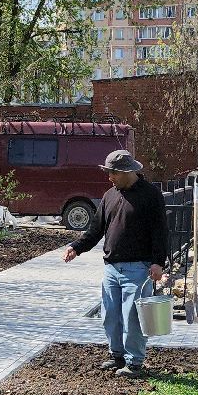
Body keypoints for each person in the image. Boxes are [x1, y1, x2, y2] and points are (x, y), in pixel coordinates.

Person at [62, 149, 169, 377]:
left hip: (138, 269)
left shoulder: (151, 195)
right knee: (110, 315)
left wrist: (158, 262)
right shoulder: (110, 195)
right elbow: (96, 229)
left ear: (127, 172)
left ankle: (134, 362)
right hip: (111, 268)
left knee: (132, 318)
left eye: (112, 173)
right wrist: (77, 247)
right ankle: (116, 355)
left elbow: (161, 231)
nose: (109, 177)